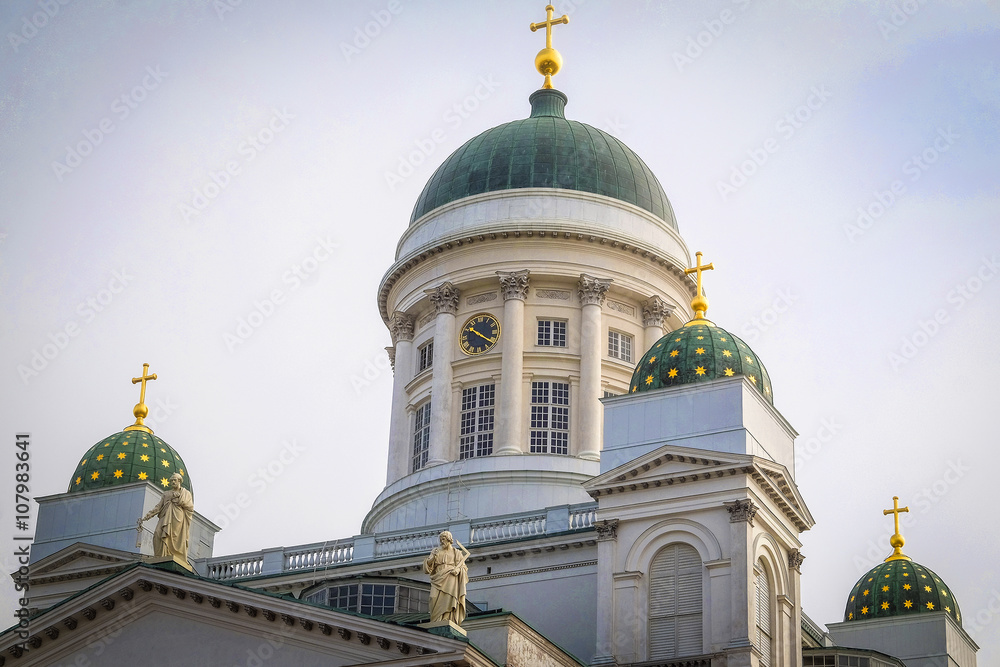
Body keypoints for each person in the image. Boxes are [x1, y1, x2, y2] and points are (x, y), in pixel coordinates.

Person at [138, 472, 194, 561]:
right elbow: (158, 507)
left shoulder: (185, 493)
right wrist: (148, 516)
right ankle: (159, 556)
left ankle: (172, 555)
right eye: (171, 481)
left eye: (174, 480)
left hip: (178, 516)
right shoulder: (166, 494)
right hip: (165, 516)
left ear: (179, 481)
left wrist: (179, 500)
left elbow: (190, 507)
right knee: (157, 533)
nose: (172, 482)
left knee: (174, 537)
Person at [423, 530, 470, 625]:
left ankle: (447, 619)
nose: (441, 541)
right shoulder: (435, 551)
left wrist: (458, 570)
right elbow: (427, 568)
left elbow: (463, 568)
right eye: (440, 539)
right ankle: (435, 620)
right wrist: (432, 558)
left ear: (449, 539)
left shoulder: (457, 552)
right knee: (433, 597)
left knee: (449, 599)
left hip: (451, 578)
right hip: (437, 577)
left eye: (443, 539)